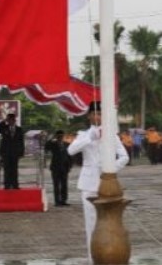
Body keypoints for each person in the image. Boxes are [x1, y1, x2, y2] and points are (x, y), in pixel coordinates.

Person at [67, 101, 129, 262]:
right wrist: (89, 137)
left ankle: (109, 255)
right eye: (94, 113)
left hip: (107, 184)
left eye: (100, 114)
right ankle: (92, 259)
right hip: (88, 184)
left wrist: (110, 169)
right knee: (91, 224)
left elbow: (124, 157)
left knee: (110, 222)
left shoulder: (111, 135)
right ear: (89, 116)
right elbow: (71, 150)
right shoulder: (83, 134)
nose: (97, 116)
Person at [0, 113, 24, 189]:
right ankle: (7, 185)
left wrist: (22, 152)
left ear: (14, 120)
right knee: (6, 169)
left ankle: (15, 185)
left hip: (15, 152)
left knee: (14, 169)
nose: (11, 121)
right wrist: (4, 121)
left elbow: (21, 142)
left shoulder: (19, 129)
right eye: (9, 120)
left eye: (12, 120)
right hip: (5, 152)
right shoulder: (4, 128)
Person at [44, 130, 72, 206]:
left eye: (61, 136)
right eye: (58, 136)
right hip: (55, 167)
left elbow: (70, 156)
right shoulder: (53, 144)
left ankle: (64, 200)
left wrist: (70, 166)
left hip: (64, 167)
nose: (60, 137)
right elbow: (46, 147)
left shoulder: (67, 144)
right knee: (56, 185)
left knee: (64, 185)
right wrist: (52, 138)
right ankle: (57, 201)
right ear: (56, 136)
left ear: (63, 136)